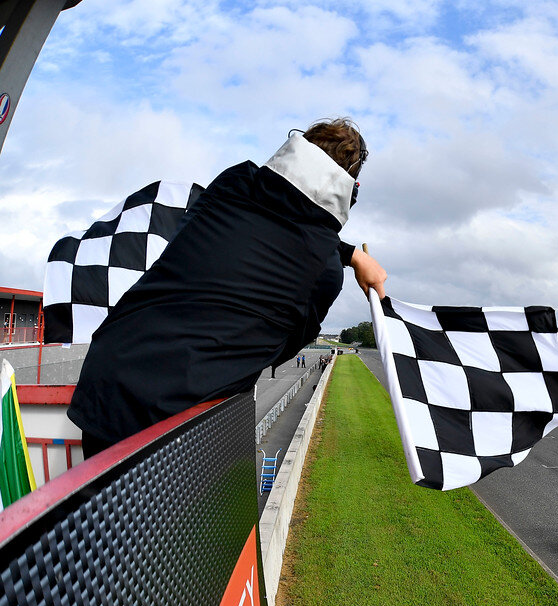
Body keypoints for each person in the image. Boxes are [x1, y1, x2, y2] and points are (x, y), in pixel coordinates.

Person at [68, 118, 387, 456]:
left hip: (109, 372)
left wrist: (348, 253)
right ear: (349, 189)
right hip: (178, 413)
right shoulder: (325, 273)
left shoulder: (234, 180)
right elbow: (280, 348)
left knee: (99, 489)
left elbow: (251, 224)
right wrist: (347, 255)